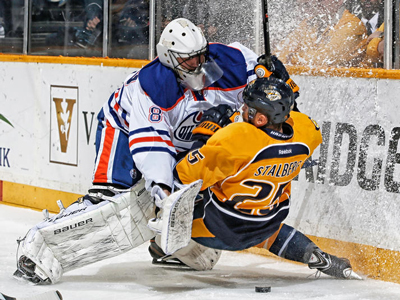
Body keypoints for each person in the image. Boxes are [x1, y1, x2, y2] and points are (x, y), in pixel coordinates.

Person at [13, 17, 299, 285]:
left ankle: (175, 250)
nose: (199, 64)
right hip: (123, 129)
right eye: (189, 60)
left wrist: (281, 86)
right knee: (111, 198)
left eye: (201, 55)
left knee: (199, 191)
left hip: (181, 138)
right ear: (169, 58)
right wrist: (162, 190)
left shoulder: (233, 60)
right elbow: (152, 142)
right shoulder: (151, 86)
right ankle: (39, 245)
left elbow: (264, 94)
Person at [169, 76, 361, 279]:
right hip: (265, 225)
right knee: (262, 225)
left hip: (217, 231)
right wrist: (281, 83)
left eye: (246, 107)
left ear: (260, 119)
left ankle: (170, 251)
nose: (241, 110)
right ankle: (316, 256)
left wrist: (204, 135)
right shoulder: (306, 133)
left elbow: (183, 176)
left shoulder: (236, 138)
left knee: (164, 180)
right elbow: (296, 117)